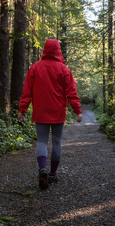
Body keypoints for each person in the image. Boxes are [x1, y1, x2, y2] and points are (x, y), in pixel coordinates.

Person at [18, 39, 82, 190]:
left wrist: (22, 110)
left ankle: (42, 169)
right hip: (58, 112)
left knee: (41, 141)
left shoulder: (35, 68)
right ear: (58, 51)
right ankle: (52, 174)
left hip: (40, 111)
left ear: (45, 50)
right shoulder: (64, 69)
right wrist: (77, 111)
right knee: (57, 142)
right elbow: (71, 93)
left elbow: (27, 91)